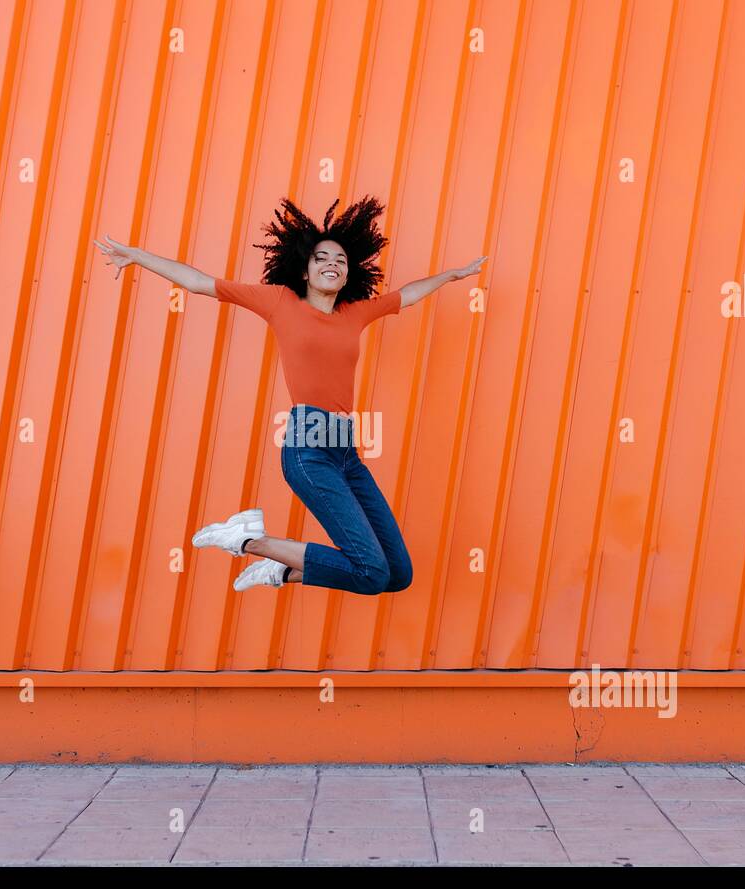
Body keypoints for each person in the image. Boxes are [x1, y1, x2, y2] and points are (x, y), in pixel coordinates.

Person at [95, 195, 487, 594]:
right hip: (308, 449)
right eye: (322, 258)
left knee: (397, 575)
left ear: (349, 274)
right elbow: (198, 283)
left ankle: (280, 571)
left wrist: (450, 277)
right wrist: (139, 256)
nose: (332, 264)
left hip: (345, 451)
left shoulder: (356, 312)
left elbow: (410, 293)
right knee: (371, 573)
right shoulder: (280, 302)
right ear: (304, 269)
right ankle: (250, 540)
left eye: (340, 261)